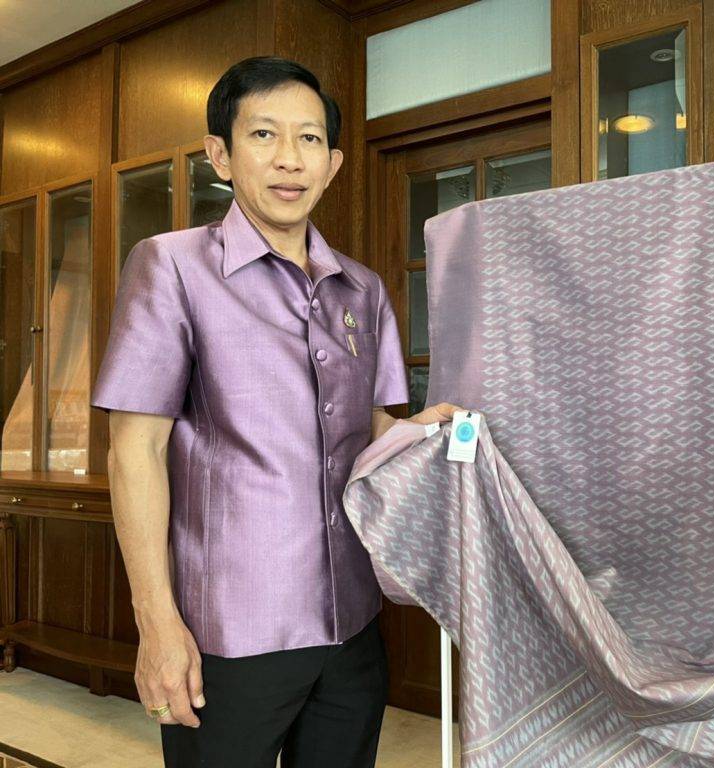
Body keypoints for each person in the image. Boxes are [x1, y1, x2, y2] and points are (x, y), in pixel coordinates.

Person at [91, 56, 461, 767]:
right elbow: (135, 451)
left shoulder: (363, 290)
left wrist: (425, 432)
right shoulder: (171, 267)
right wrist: (157, 622)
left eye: (310, 139)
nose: (290, 159)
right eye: (264, 134)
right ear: (220, 155)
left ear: (333, 163)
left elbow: (366, 429)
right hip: (229, 635)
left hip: (351, 625)